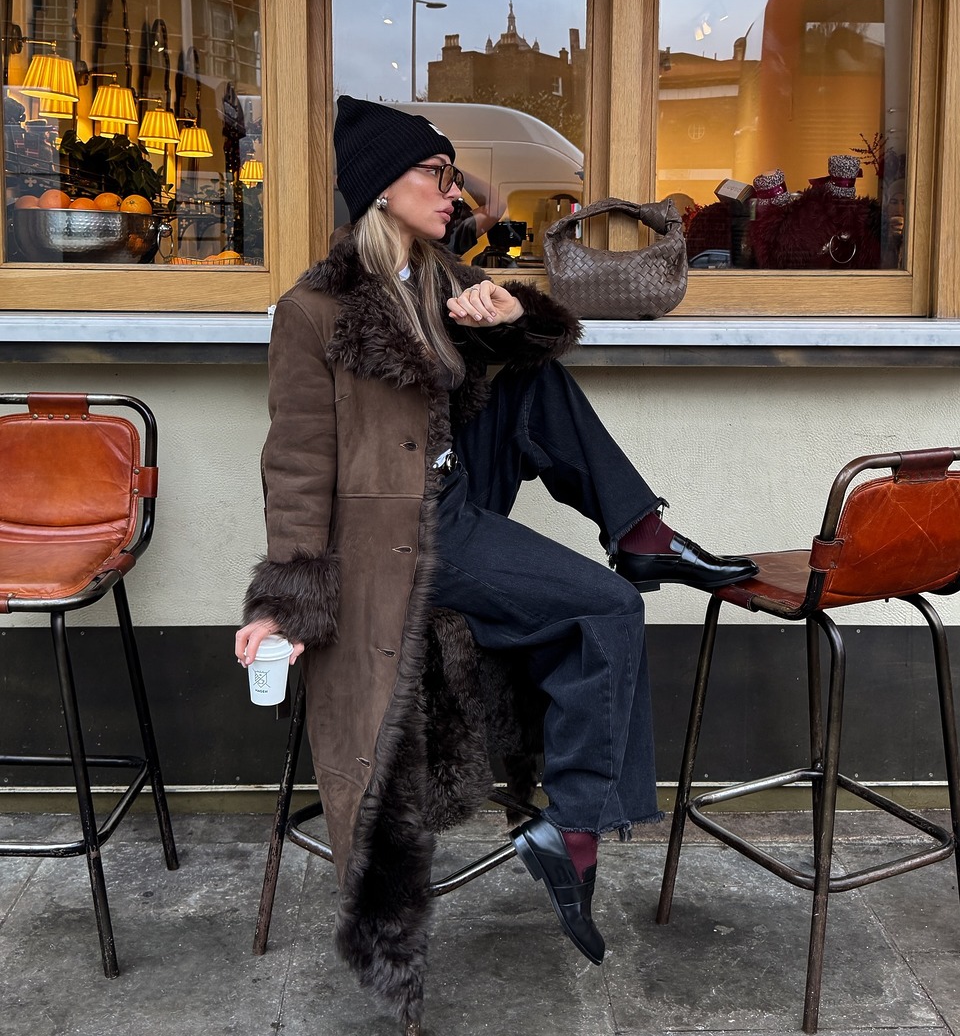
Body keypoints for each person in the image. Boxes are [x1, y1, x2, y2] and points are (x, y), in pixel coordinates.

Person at [235, 96, 756, 1009]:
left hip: (464, 492)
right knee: (609, 607)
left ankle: (639, 533)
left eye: (453, 175)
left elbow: (533, 348)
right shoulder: (314, 313)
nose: (457, 191)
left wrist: (508, 317)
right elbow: (297, 463)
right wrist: (287, 598)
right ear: (382, 188)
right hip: (406, 534)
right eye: (437, 174)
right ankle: (576, 827)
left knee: (530, 373)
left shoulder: (442, 278)